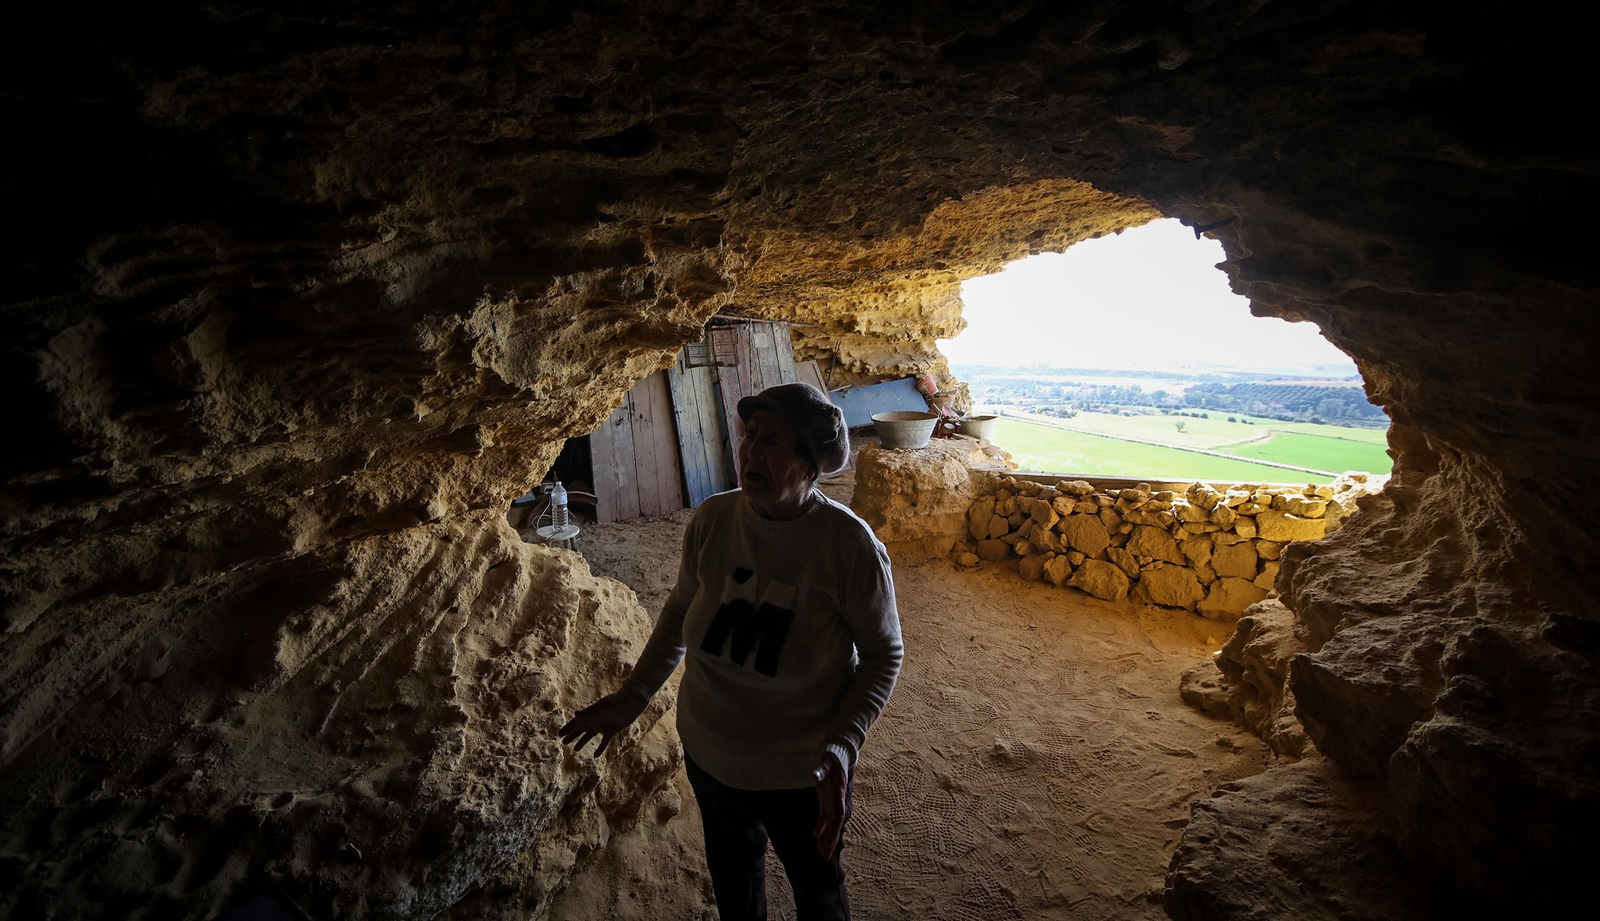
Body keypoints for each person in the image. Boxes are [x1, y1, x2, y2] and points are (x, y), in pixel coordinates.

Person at [559, 381, 904, 921]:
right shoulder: (714, 520)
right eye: (749, 435)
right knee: (735, 887)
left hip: (800, 771)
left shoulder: (849, 548)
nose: (750, 451)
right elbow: (679, 613)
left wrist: (842, 746)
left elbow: (885, 655)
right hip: (710, 754)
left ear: (811, 463)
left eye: (773, 441)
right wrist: (631, 699)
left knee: (819, 892)